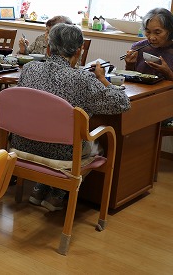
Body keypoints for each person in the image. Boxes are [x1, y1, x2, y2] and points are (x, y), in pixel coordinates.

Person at [15, 23, 130, 211]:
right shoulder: (82, 79)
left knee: (52, 131)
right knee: (97, 145)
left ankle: (39, 188)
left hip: (23, 144)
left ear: (49, 48)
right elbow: (123, 103)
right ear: (79, 51)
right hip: (63, 155)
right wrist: (102, 79)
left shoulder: (29, 69)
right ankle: (58, 193)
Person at [124, 8, 173, 81]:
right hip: (141, 91)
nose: (152, 37)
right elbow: (130, 80)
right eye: (148, 32)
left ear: (170, 31)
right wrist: (129, 65)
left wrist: (168, 73)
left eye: (157, 32)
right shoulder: (138, 47)